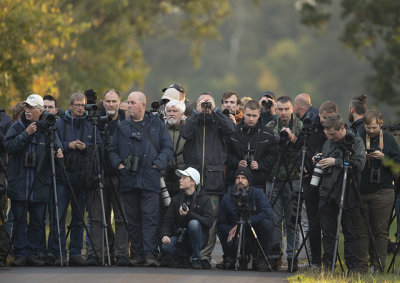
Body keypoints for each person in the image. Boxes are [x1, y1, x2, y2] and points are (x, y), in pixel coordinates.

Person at [108, 91, 173, 267]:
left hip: (149, 178)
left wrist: (156, 165)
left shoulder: (157, 124)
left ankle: (150, 254)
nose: (128, 106)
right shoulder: (122, 126)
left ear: (143, 105)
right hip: (128, 179)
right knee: (133, 219)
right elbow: (111, 150)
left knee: (150, 217)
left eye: (132, 103)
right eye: (128, 103)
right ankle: (137, 254)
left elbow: (168, 148)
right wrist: (120, 166)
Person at [4, 94, 63, 266]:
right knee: (20, 220)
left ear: (40, 110)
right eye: (26, 107)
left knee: (38, 221)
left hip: (40, 184)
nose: (27, 111)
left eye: (31, 108)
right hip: (20, 184)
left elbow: (58, 149)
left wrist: (59, 153)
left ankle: (33, 253)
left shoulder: (48, 128)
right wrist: (26, 133)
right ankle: (21, 254)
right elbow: (9, 146)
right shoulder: (17, 126)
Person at [180, 92, 236, 268]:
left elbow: (231, 129)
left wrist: (215, 110)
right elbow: (184, 133)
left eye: (208, 103)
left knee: (210, 218)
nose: (205, 106)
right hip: (193, 178)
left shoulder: (219, 122)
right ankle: (193, 253)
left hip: (213, 178)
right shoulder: (192, 121)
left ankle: (205, 255)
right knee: (190, 216)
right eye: (202, 103)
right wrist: (197, 113)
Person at [52, 92, 97, 266]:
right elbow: (53, 144)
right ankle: (60, 253)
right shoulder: (59, 123)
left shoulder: (90, 124)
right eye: (77, 105)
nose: (80, 108)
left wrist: (86, 147)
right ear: (70, 106)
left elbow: (97, 146)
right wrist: (68, 145)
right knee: (59, 217)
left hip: (82, 178)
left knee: (78, 218)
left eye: (83, 105)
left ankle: (76, 253)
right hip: (63, 177)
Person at [85, 89, 129, 266]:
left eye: (114, 101)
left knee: (121, 217)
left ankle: (122, 253)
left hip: (119, 176)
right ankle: (96, 254)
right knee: (97, 217)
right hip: (98, 174)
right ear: (102, 102)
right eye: (108, 101)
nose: (111, 104)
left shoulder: (126, 121)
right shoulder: (94, 120)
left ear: (119, 102)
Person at [317, 113, 365, 272]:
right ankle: (328, 266)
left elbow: (359, 164)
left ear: (342, 128)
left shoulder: (355, 141)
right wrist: (320, 160)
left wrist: (335, 162)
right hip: (327, 190)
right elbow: (325, 158)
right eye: (327, 134)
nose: (330, 137)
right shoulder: (328, 142)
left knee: (350, 231)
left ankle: (352, 267)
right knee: (328, 232)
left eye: (332, 134)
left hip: (348, 190)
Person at [356, 110, 400, 273]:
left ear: (380, 124)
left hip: (383, 190)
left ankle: (379, 266)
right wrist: (362, 156)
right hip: (361, 190)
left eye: (373, 127)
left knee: (380, 230)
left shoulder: (388, 140)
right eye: (367, 127)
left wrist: (384, 157)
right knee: (362, 231)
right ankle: (362, 267)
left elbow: (397, 164)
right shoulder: (359, 136)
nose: (370, 131)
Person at [266, 96, 302, 271]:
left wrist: (292, 138)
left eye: (287, 109)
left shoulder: (299, 126)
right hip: (273, 177)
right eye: (280, 109)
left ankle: (292, 257)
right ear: (276, 110)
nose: (283, 113)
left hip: (293, 177)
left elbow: (303, 148)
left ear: (292, 109)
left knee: (292, 220)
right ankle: (274, 256)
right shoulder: (271, 126)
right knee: (274, 219)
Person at [301, 101, 338, 268]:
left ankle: (330, 261)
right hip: (311, 179)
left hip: (330, 182)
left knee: (329, 223)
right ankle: (315, 260)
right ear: (319, 115)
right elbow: (300, 148)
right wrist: (302, 164)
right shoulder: (310, 128)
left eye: (329, 119)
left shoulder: (338, 131)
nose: (326, 123)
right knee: (313, 221)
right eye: (324, 118)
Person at [217, 167, 273, 271]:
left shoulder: (258, 193)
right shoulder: (227, 198)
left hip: (253, 231)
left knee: (267, 224)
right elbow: (221, 223)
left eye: (243, 178)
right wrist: (230, 230)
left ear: (249, 181)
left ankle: (261, 259)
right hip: (235, 233)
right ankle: (232, 257)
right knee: (224, 232)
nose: (240, 180)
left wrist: (248, 222)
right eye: (237, 178)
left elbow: (268, 213)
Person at [160, 167, 213, 269]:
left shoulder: (204, 199)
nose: (180, 180)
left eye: (184, 178)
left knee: (193, 224)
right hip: (182, 238)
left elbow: (209, 222)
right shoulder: (176, 200)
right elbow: (167, 221)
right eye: (181, 177)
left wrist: (189, 214)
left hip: (199, 239)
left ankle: (196, 258)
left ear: (193, 182)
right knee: (165, 246)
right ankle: (184, 256)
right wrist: (164, 235)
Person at [227, 100, 277, 189]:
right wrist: (237, 163)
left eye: (254, 116)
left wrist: (260, 165)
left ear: (259, 115)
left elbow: (273, 155)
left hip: (259, 181)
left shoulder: (267, 133)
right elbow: (226, 154)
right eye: (248, 115)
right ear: (244, 113)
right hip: (236, 180)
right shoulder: (233, 131)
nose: (251, 119)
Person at [164, 100, 186, 198]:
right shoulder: (161, 130)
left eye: (175, 111)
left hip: (182, 181)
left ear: (182, 114)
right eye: (169, 111)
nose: (171, 114)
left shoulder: (187, 131)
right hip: (163, 181)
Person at [0, 108, 12, 266]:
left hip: (0, 173)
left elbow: (8, 145)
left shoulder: (6, 120)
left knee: (1, 217)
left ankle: (2, 256)